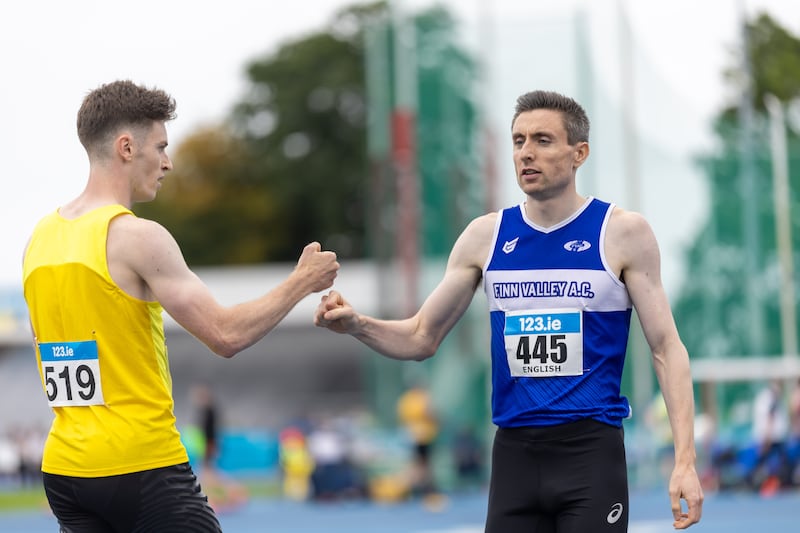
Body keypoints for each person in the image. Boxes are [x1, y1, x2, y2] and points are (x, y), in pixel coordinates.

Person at [315, 90, 703, 531]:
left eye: (542, 140)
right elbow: (422, 336)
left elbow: (667, 349)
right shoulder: (485, 237)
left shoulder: (621, 233)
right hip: (515, 458)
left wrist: (685, 461)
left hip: (590, 455)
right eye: (518, 141)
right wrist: (357, 325)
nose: (526, 153)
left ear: (580, 153)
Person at [21, 80, 339, 532]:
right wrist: (300, 283)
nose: (168, 163)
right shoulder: (137, 237)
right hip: (141, 466)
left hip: (66, 471)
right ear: (126, 147)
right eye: (162, 147)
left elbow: (49, 346)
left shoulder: (38, 241)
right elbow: (225, 335)